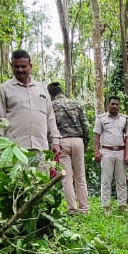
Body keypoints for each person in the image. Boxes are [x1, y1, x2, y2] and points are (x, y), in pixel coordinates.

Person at [0, 50, 60, 160]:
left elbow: (50, 117)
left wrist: (55, 141)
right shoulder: (3, 89)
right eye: (16, 66)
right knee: (17, 177)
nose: (20, 70)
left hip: (40, 148)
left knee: (41, 177)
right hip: (14, 150)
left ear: (30, 66)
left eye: (23, 66)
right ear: (12, 66)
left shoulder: (42, 89)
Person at [50, 83, 90, 214]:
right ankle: (84, 208)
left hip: (62, 142)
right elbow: (86, 126)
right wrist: (85, 143)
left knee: (66, 178)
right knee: (80, 177)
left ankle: (72, 209)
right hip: (78, 141)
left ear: (51, 94)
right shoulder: (76, 103)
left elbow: (50, 128)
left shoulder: (51, 106)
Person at [93, 96, 128, 210]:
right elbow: (96, 136)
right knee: (106, 180)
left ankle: (122, 205)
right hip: (107, 152)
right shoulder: (101, 119)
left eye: (117, 104)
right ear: (108, 105)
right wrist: (96, 152)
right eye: (112, 104)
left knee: (122, 180)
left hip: (121, 152)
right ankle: (106, 206)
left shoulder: (124, 119)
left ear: (119, 106)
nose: (114, 106)